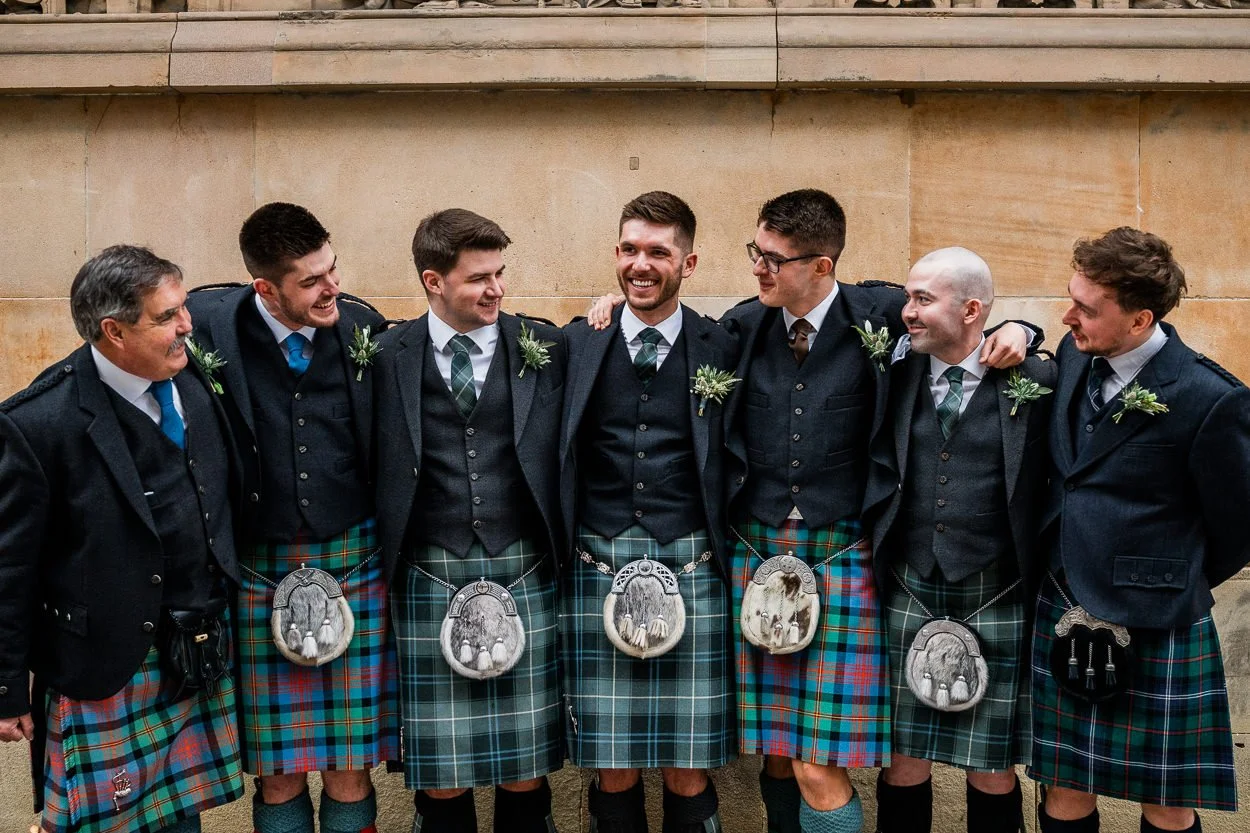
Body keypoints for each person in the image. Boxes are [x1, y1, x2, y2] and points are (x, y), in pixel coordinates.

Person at [0, 245, 244, 833]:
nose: (187, 324)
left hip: (194, 649)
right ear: (113, 331)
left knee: (183, 816)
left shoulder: (191, 385)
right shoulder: (39, 422)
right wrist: (7, 686)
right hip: (105, 662)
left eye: (182, 308)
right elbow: (9, 566)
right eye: (166, 316)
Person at [185, 203, 397, 833]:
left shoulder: (362, 325)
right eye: (311, 281)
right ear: (265, 288)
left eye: (332, 269)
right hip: (260, 566)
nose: (332, 288)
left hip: (352, 555)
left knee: (350, 763)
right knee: (276, 770)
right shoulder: (210, 334)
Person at [1030, 227, 1250, 833]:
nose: (1067, 315)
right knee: (1065, 789)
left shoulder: (1210, 396)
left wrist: (1166, 577)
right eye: (1071, 296)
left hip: (1157, 616)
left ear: (1139, 318)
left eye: (1086, 307)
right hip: (1065, 597)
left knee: (1168, 802)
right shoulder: (1076, 354)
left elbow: (1237, 525)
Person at [373, 209, 567, 833]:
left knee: (525, 761)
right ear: (433, 281)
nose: (496, 289)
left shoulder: (547, 346)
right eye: (478, 277)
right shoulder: (384, 354)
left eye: (500, 273)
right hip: (429, 567)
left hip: (522, 562)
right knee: (442, 767)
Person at [559, 192, 740, 833]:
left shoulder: (725, 345)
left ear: (688, 263)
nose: (642, 265)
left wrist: (1019, 331)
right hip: (597, 560)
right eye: (630, 249)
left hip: (691, 562)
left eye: (659, 252)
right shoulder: (575, 343)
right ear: (615, 253)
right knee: (611, 763)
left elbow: (863, 309)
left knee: (689, 764)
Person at [866, 247, 1054, 833]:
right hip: (909, 581)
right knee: (903, 758)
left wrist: (1025, 329)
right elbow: (819, 287)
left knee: (991, 765)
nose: (908, 311)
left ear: (973, 309)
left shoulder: (1038, 377)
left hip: (996, 585)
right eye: (909, 296)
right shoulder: (893, 369)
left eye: (924, 299)